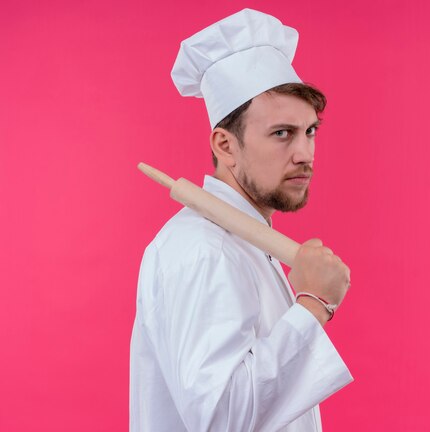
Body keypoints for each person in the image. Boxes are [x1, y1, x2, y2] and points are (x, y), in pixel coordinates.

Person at [129, 9, 353, 432]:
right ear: (225, 144)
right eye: (282, 133)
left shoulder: (248, 243)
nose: (305, 153)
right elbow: (220, 419)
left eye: (310, 131)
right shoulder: (203, 250)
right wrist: (314, 305)